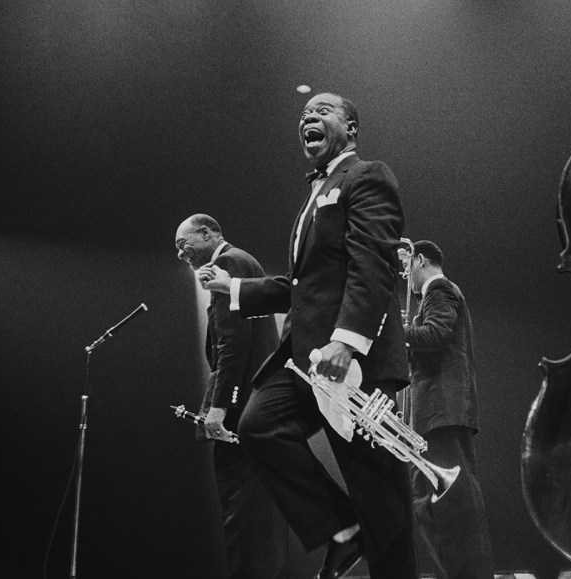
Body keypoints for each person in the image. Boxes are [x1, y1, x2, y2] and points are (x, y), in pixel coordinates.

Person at [200, 92, 417, 579]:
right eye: (304, 115)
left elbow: (373, 263)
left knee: (378, 494)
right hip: (305, 360)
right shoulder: (314, 195)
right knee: (257, 426)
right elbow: (304, 286)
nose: (308, 118)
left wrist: (347, 340)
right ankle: (342, 532)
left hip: (352, 361)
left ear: (351, 128)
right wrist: (235, 287)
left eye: (322, 111)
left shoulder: (367, 176)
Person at [173, 213, 288, 578]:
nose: (180, 254)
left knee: (243, 517)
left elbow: (232, 345)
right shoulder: (245, 261)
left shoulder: (227, 263)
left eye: (183, 244)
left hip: (240, 414)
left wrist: (219, 408)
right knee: (262, 519)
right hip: (261, 407)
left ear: (208, 233)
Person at [403, 240, 494, 579]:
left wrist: (400, 333)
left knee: (451, 509)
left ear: (419, 260)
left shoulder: (438, 288)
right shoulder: (435, 293)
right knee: (431, 507)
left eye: (407, 267)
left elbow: (436, 334)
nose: (407, 278)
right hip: (435, 415)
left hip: (440, 413)